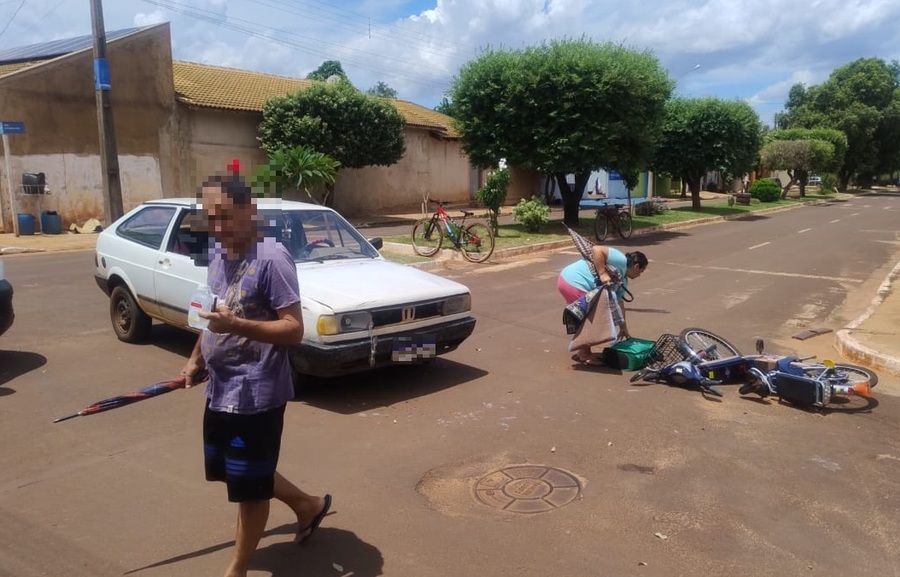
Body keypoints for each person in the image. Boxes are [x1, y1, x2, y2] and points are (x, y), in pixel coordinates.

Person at [180, 172, 331, 577]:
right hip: (221, 389)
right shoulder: (218, 252)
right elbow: (211, 315)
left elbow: (294, 329)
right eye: (210, 219)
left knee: (249, 487)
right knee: (237, 470)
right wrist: (197, 357)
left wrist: (238, 328)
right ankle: (308, 505)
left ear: (250, 210)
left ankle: (237, 570)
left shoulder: (272, 258)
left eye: (226, 217)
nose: (217, 227)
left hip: (257, 393)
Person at [557, 245, 648, 365]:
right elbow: (597, 249)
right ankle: (584, 354)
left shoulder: (622, 281)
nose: (639, 275)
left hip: (569, 281)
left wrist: (623, 328)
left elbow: (620, 304)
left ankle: (582, 352)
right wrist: (602, 273)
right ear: (636, 266)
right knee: (591, 318)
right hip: (574, 280)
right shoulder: (621, 259)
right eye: (641, 271)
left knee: (587, 318)